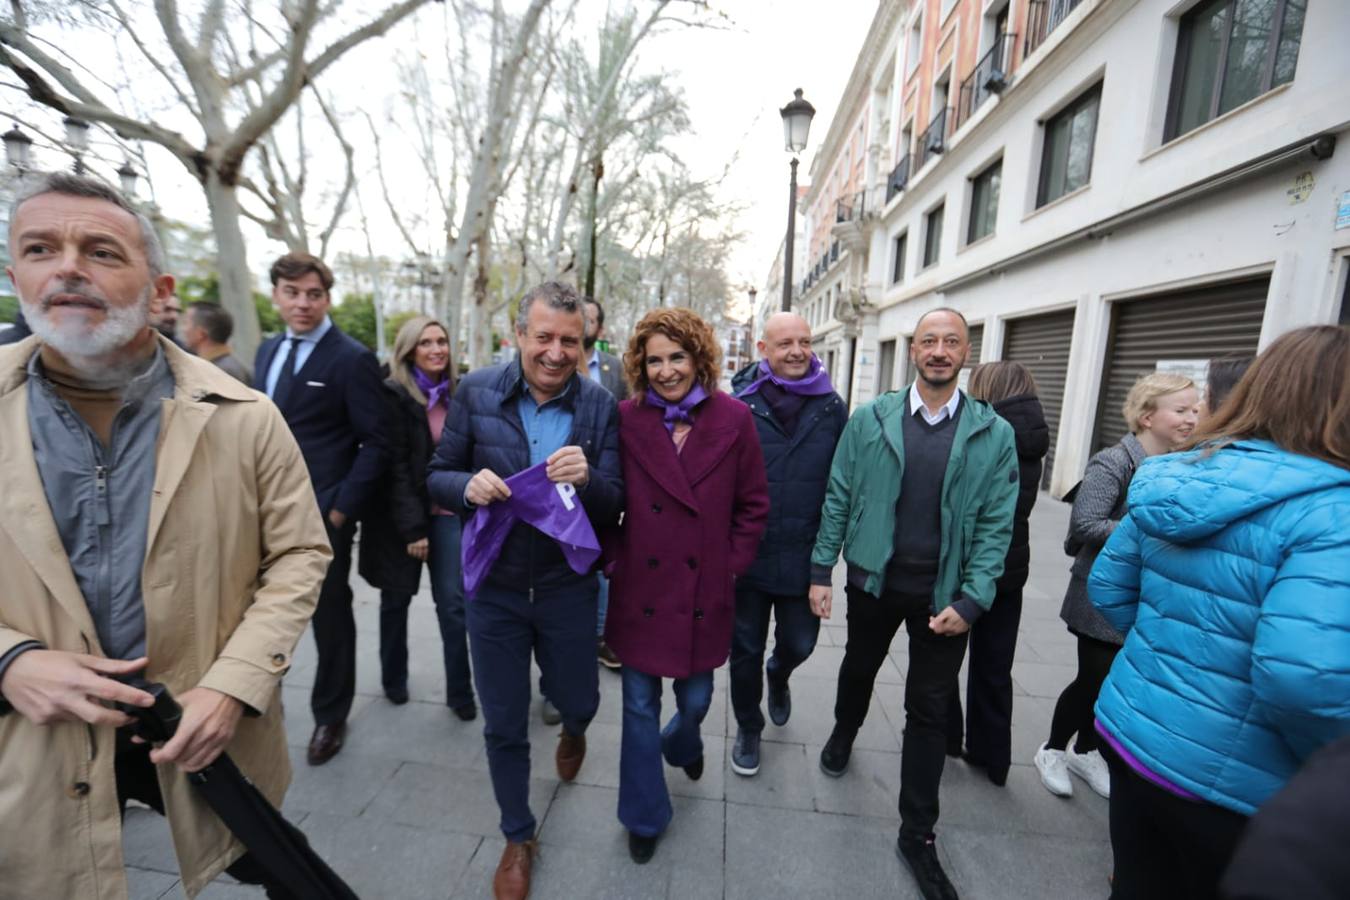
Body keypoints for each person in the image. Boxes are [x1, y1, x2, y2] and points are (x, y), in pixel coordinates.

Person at [0, 172, 330, 898]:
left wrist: (234, 686)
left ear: (159, 290)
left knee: (272, 861)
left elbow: (300, 553)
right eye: (40, 248)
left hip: (198, 733)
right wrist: (10, 660)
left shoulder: (246, 417)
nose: (68, 269)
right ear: (14, 277)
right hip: (30, 746)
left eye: (101, 252)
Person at [1089, 325, 1350, 899]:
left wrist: (1167, 652)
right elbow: (1305, 680)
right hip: (1229, 783)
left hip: (1133, 732)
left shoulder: (1177, 475)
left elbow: (1107, 586)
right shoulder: (1333, 512)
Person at [810, 308, 1018, 900]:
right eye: (929, 340)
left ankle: (917, 835)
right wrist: (822, 569)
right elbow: (839, 493)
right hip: (874, 582)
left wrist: (974, 599)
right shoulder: (871, 419)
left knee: (928, 712)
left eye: (951, 341)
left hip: (944, 597)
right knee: (859, 668)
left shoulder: (994, 433)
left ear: (966, 352)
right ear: (913, 351)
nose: (939, 350)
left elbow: (997, 525)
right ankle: (845, 728)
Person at [426, 281, 623, 900]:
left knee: (580, 700)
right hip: (496, 588)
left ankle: (574, 729)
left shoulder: (600, 404)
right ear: (518, 336)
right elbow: (437, 475)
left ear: (584, 342)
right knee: (504, 722)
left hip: (569, 588)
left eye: (570, 340)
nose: (556, 353)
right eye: (543, 337)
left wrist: (590, 481)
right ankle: (517, 835)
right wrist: (466, 488)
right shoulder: (476, 390)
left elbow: (616, 502)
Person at [603, 307, 768, 864]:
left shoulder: (734, 418)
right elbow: (605, 494)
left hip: (703, 589)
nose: (667, 370)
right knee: (638, 707)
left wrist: (730, 565)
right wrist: (612, 557)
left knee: (694, 700)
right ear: (640, 366)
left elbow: (753, 504)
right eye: (654, 361)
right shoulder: (626, 418)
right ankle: (643, 815)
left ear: (698, 358)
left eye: (677, 357)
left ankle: (683, 740)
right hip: (640, 588)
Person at [1034, 372, 1199, 800]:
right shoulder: (1114, 461)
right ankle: (1053, 749)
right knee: (1093, 678)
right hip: (1101, 590)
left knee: (1116, 681)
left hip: (1150, 594)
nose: (1191, 418)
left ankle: (1086, 750)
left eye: (1195, 409)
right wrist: (1157, 530)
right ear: (1147, 417)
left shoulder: (1183, 462)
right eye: (1181, 410)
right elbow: (1086, 523)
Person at [254, 252, 387, 766]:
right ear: (276, 296)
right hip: (260, 510)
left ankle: (331, 715)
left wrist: (340, 511)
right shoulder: (267, 350)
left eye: (313, 294)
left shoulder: (351, 358)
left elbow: (377, 441)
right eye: (292, 293)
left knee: (329, 615)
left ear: (327, 298)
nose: (303, 303)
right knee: (258, 612)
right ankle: (258, 705)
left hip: (322, 514)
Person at [727, 311, 845, 777]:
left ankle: (779, 673)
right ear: (763, 350)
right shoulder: (737, 405)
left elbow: (841, 487)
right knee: (744, 652)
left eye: (805, 342)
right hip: (747, 558)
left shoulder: (832, 407)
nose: (797, 351)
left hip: (803, 557)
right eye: (785, 343)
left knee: (799, 643)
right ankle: (748, 726)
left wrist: (824, 569)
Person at [357, 316, 475, 719]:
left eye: (442, 341)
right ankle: (394, 680)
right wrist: (412, 529)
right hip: (400, 518)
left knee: (453, 605)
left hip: (447, 514)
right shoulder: (391, 393)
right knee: (395, 600)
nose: (437, 349)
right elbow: (395, 467)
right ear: (409, 350)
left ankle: (460, 692)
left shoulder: (457, 393)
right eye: (426, 342)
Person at [945, 361, 1049, 787]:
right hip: (1010, 568)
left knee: (943, 657)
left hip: (968, 565)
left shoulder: (986, 433)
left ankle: (947, 736)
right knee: (995, 666)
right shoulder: (1034, 435)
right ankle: (994, 757)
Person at [584, 297, 627, 673]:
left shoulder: (615, 369)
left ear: (599, 328)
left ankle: (601, 636)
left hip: (603, 482)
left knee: (601, 562)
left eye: (590, 319)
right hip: (559, 484)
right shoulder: (550, 364)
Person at [178, 300, 252, 385]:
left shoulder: (220, 372)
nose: (183, 329)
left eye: (185, 322)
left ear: (201, 333)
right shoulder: (226, 365)